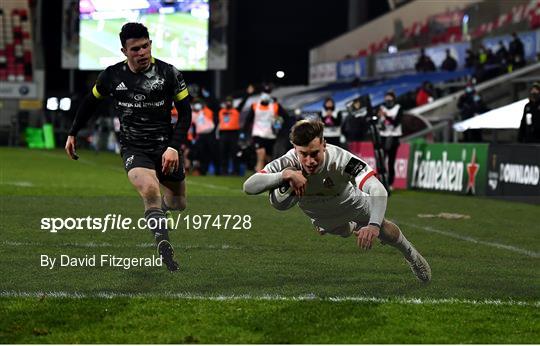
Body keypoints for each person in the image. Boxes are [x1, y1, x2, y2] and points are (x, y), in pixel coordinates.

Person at [65, 23, 192, 272]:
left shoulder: (169, 73)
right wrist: (73, 132)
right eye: (135, 49)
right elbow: (90, 103)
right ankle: (163, 243)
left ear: (150, 44)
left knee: (178, 204)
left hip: (166, 148)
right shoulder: (112, 76)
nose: (142, 52)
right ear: (124, 51)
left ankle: (159, 216)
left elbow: (185, 115)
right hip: (134, 148)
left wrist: (174, 147)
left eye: (145, 46)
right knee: (149, 190)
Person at [243, 120, 431, 282]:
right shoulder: (287, 162)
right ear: (295, 149)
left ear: (324, 144)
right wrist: (284, 175)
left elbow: (378, 188)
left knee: (384, 229)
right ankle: (348, 227)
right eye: (303, 154)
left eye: (315, 153)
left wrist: (373, 225)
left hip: (352, 204)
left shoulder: (342, 159)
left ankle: (412, 256)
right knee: (340, 230)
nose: (309, 161)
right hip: (320, 216)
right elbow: (249, 187)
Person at [243, 85, 289, 171]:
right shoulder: (255, 106)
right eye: (264, 92)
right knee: (261, 154)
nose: (266, 94)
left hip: (270, 135)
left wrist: (280, 125)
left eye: (267, 92)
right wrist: (244, 132)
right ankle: (258, 177)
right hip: (258, 134)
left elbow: (286, 118)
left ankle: (267, 176)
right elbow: (248, 120)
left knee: (268, 158)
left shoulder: (275, 106)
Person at [217, 94, 249, 175]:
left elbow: (243, 103)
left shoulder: (236, 110)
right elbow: (214, 103)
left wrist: (248, 94)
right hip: (223, 133)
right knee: (223, 153)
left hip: (233, 133)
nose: (228, 103)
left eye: (229, 102)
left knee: (234, 153)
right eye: (227, 102)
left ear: (232, 103)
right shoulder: (221, 111)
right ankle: (224, 171)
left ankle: (236, 171)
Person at [378, 91, 403, 189]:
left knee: (391, 161)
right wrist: (380, 117)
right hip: (383, 136)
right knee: (381, 161)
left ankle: (390, 182)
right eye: (386, 98)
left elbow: (396, 122)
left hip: (394, 136)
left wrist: (386, 116)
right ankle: (381, 181)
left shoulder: (398, 108)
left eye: (390, 98)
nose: (388, 100)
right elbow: (380, 125)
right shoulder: (382, 108)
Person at [190, 98, 219, 175]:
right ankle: (202, 171)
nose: (197, 105)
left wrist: (202, 106)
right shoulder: (193, 114)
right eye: (196, 103)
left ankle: (218, 171)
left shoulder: (207, 111)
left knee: (213, 153)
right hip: (201, 135)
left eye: (198, 103)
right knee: (201, 154)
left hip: (210, 134)